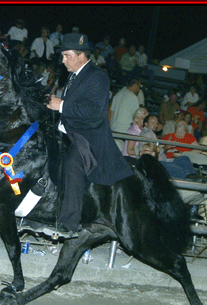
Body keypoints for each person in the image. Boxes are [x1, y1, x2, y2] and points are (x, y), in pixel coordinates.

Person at [45, 33, 133, 236]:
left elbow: (93, 112)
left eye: (67, 56)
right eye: (63, 56)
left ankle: (69, 223)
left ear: (81, 55)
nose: (63, 60)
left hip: (89, 139)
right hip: (68, 133)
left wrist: (62, 105)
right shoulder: (73, 74)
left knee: (73, 165)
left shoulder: (98, 76)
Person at [109, 78, 140, 151]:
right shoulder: (133, 97)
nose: (139, 89)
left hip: (113, 131)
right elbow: (137, 116)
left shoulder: (118, 95)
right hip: (124, 132)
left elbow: (110, 112)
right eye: (139, 86)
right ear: (135, 85)